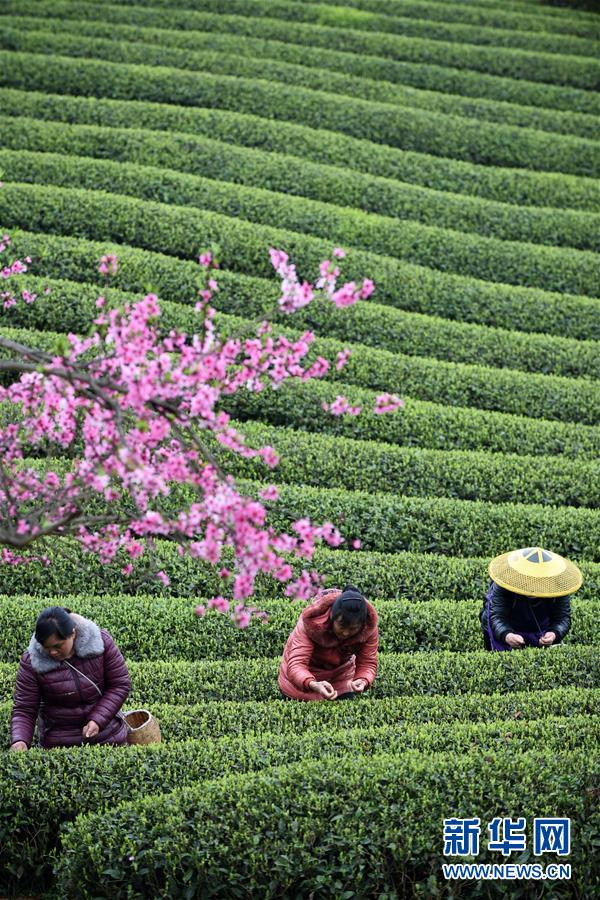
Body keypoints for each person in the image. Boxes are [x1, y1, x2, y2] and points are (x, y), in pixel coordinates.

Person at [10, 606, 131, 750]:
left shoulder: (101, 642)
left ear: (73, 634)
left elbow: (120, 684)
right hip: (60, 745)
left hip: (108, 736)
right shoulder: (32, 661)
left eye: (58, 646)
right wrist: (20, 740)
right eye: (46, 648)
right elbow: (25, 708)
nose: (52, 652)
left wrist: (98, 720)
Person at [278, 584, 378, 700]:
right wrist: (314, 684)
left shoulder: (368, 628)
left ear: (361, 625)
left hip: (341, 680)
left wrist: (363, 680)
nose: (345, 633)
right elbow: (297, 664)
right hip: (300, 684)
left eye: (353, 629)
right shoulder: (312, 623)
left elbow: (367, 662)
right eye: (341, 626)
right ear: (332, 617)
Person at [480, 546, 582, 652]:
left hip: (540, 626)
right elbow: (496, 615)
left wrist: (554, 633)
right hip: (509, 624)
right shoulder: (504, 583)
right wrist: (506, 635)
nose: (532, 587)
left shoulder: (558, 585)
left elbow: (563, 617)